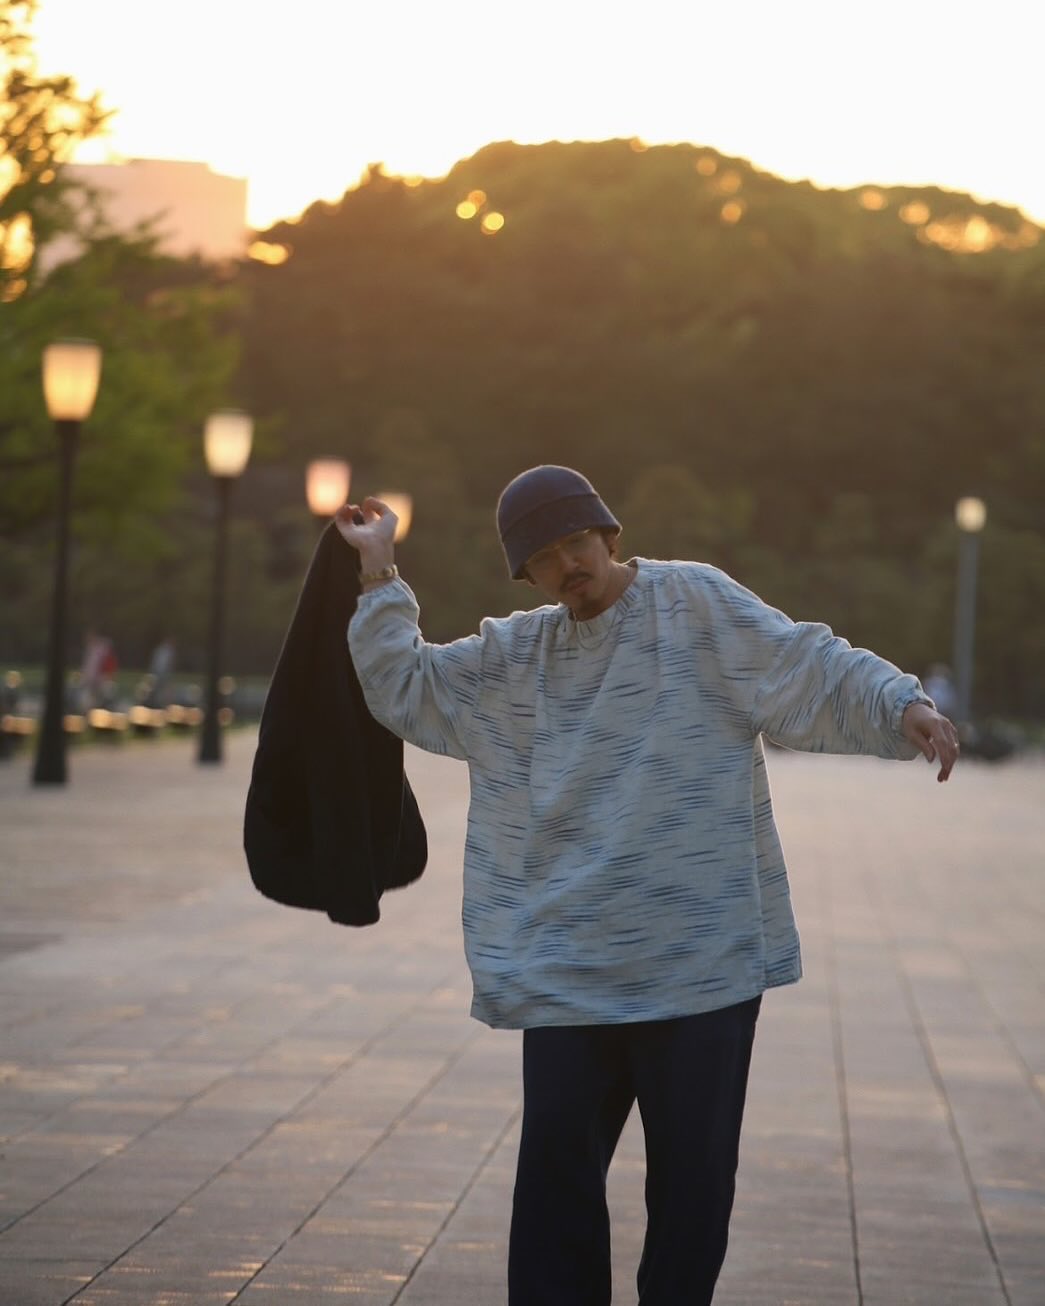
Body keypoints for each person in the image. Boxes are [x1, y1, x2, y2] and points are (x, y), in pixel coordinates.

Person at [335, 465, 959, 1306]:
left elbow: (804, 663)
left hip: (697, 966)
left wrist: (898, 705)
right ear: (527, 575)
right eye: (544, 558)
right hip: (569, 971)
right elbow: (405, 685)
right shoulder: (514, 660)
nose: (567, 565)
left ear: (607, 534)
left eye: (576, 543)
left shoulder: (694, 605)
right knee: (554, 1192)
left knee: (692, 1195)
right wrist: (378, 569)